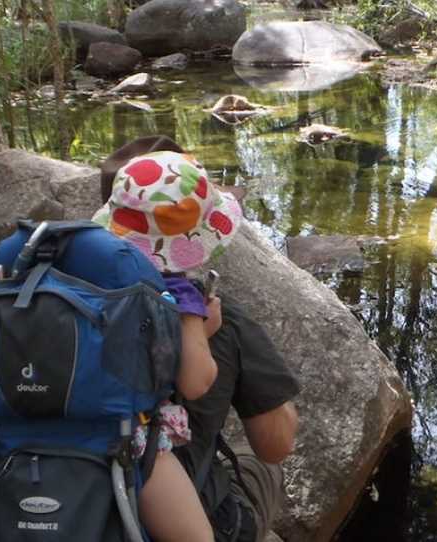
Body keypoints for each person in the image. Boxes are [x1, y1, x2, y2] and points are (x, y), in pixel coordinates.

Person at [100, 137, 300, 542]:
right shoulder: (203, 312)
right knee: (263, 468)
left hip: (75, 474)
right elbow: (275, 445)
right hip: (161, 482)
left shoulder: (77, 293)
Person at [94, 148, 245, 542]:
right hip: (126, 436)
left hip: (41, 421)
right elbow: (195, 381)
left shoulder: (85, 268)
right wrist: (204, 332)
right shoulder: (177, 292)